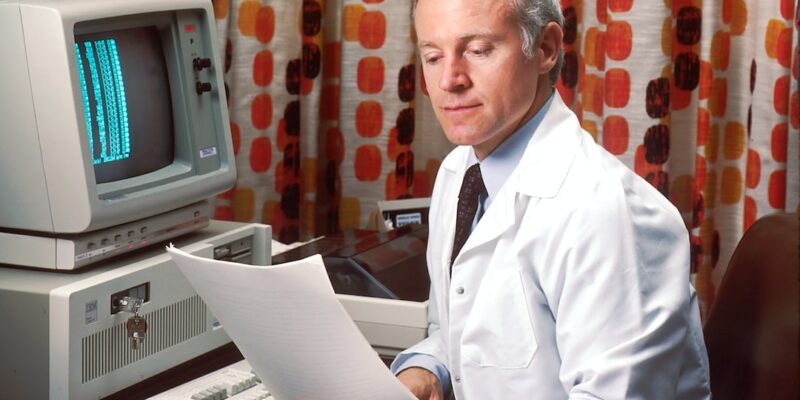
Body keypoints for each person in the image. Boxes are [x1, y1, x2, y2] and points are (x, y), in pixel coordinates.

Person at [390, 0, 712, 399]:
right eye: (434, 56)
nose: (449, 80)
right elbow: (461, 328)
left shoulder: (608, 212)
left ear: (545, 49)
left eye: (477, 50)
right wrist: (428, 368)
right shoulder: (459, 174)